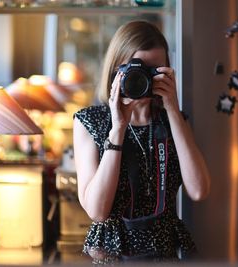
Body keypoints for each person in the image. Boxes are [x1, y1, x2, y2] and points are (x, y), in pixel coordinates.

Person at [73, 20, 211, 263]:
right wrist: (118, 128)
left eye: (154, 71)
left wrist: (172, 109)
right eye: (138, 70)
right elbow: (97, 211)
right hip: (111, 254)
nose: (145, 79)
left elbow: (199, 191)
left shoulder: (174, 121)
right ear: (117, 71)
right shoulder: (91, 121)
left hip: (164, 253)